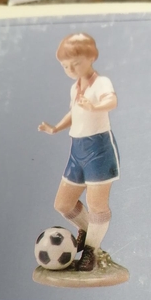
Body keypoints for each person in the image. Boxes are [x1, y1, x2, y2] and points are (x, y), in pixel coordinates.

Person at [38, 33, 120, 271]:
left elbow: (111, 101)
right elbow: (74, 113)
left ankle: (92, 250)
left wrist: (95, 106)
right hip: (78, 150)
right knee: (63, 204)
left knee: (97, 206)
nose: (71, 70)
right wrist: (56, 128)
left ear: (91, 57)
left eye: (75, 63)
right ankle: (87, 231)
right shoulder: (75, 88)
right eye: (66, 66)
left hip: (99, 149)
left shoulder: (101, 82)